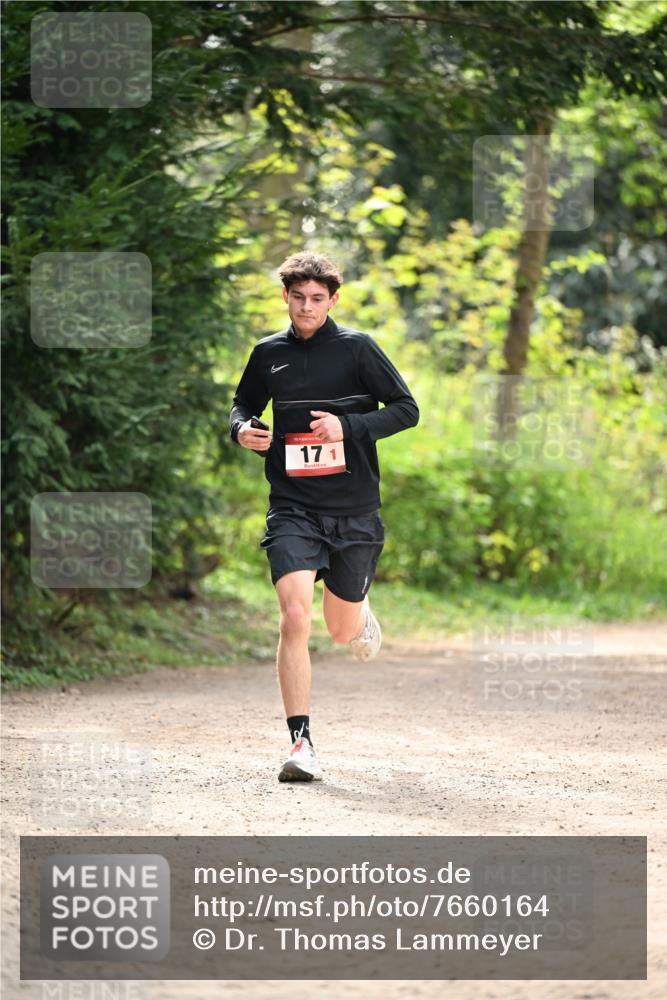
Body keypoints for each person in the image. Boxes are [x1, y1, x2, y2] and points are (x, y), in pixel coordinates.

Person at [229, 251, 419, 782]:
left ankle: (359, 611)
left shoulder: (358, 350)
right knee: (294, 616)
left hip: (354, 512)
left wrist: (349, 428)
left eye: (317, 299)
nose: (306, 307)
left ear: (333, 300)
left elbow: (406, 409)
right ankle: (300, 744)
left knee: (340, 631)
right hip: (293, 506)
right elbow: (243, 405)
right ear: (285, 297)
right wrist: (242, 430)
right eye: (297, 298)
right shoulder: (269, 354)